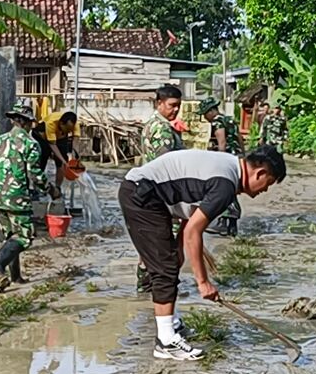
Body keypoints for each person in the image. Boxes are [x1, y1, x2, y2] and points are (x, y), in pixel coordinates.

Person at [119, 146, 287, 361]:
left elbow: (189, 212)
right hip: (142, 195)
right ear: (260, 173)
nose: (265, 190)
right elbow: (193, 231)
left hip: (146, 193)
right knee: (164, 267)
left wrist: (179, 251)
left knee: (170, 262)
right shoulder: (226, 185)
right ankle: (166, 341)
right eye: (268, 184)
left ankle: (170, 323)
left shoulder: (229, 167)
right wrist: (203, 282)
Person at [0, 103, 61, 296]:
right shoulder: (30, 144)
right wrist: (51, 190)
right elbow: (35, 174)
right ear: (28, 123)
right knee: (24, 236)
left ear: (12, 121)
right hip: (16, 196)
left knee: (11, 236)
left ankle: (15, 276)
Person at [136, 84, 185, 295]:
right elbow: (167, 165)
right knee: (166, 244)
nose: (176, 109)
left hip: (150, 191)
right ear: (159, 103)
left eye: (178, 105)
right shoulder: (162, 128)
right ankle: (160, 288)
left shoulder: (151, 124)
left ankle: (145, 288)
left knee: (151, 243)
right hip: (163, 195)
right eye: (172, 105)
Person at [198, 98, 244, 236]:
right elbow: (240, 138)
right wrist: (243, 156)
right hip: (236, 158)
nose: (205, 117)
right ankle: (232, 227)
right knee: (232, 189)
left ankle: (224, 223)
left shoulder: (217, 122)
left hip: (227, 159)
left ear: (211, 111)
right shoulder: (229, 119)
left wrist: (219, 162)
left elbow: (222, 142)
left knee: (224, 189)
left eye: (205, 114)